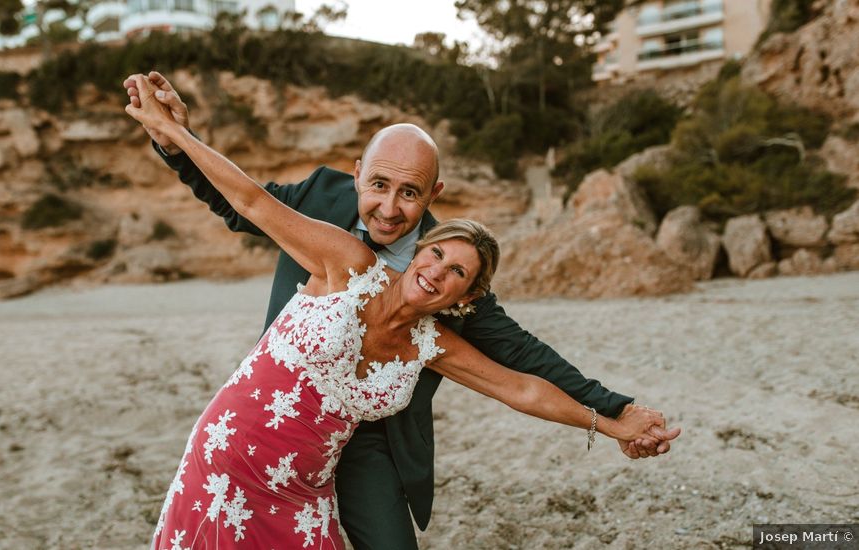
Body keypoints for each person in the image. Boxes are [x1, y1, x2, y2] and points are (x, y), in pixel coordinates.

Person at [125, 72, 680, 549]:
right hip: (253, 429)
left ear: (432, 194)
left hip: (365, 432)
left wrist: (614, 417)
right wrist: (174, 136)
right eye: (378, 186)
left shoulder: (447, 287)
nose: (389, 209)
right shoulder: (337, 240)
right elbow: (243, 201)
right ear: (358, 170)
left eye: (409, 194)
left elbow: (521, 372)